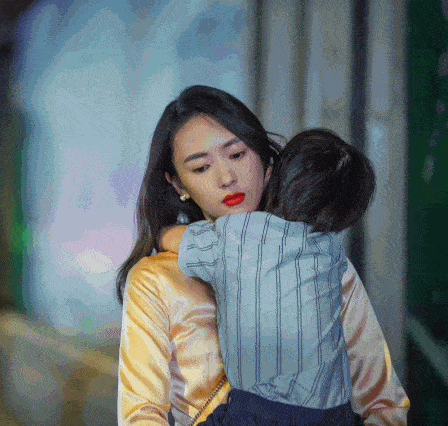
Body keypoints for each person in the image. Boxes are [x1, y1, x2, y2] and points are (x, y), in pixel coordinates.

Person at [116, 85, 410, 426]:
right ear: (179, 185)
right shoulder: (155, 279)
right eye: (201, 168)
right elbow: (141, 415)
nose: (227, 178)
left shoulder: (323, 261)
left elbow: (384, 403)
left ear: (265, 159)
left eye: (237, 154)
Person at [159, 129, 375, 425]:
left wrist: (163, 230)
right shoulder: (331, 246)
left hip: (263, 410)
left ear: (272, 177)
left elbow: (171, 239)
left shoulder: (240, 234)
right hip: (335, 410)